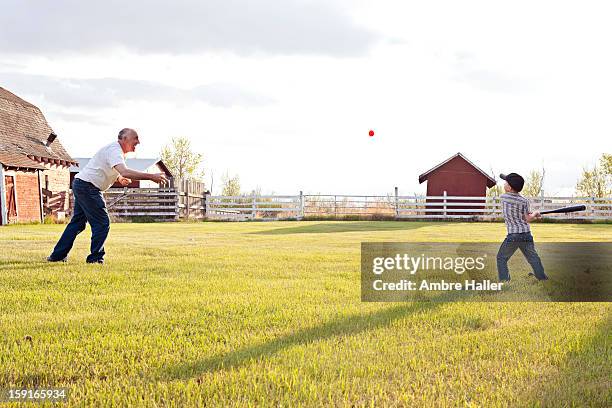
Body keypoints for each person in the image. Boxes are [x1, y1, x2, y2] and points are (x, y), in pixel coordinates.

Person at [47, 128, 167, 264]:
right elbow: (125, 171)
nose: (138, 142)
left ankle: (57, 256)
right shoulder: (115, 151)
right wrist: (151, 176)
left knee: (77, 223)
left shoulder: (116, 152)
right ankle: (95, 259)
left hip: (82, 184)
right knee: (102, 223)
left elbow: (112, 171)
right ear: (124, 138)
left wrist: (119, 179)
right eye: (136, 138)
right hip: (88, 187)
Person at [496, 172, 548, 281]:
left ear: (509, 188)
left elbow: (525, 216)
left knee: (501, 258)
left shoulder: (503, 197)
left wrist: (532, 215)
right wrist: (535, 214)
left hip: (513, 236)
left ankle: (505, 280)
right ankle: (542, 277)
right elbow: (527, 218)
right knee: (533, 258)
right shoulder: (524, 201)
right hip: (526, 234)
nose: (504, 184)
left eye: (505, 183)